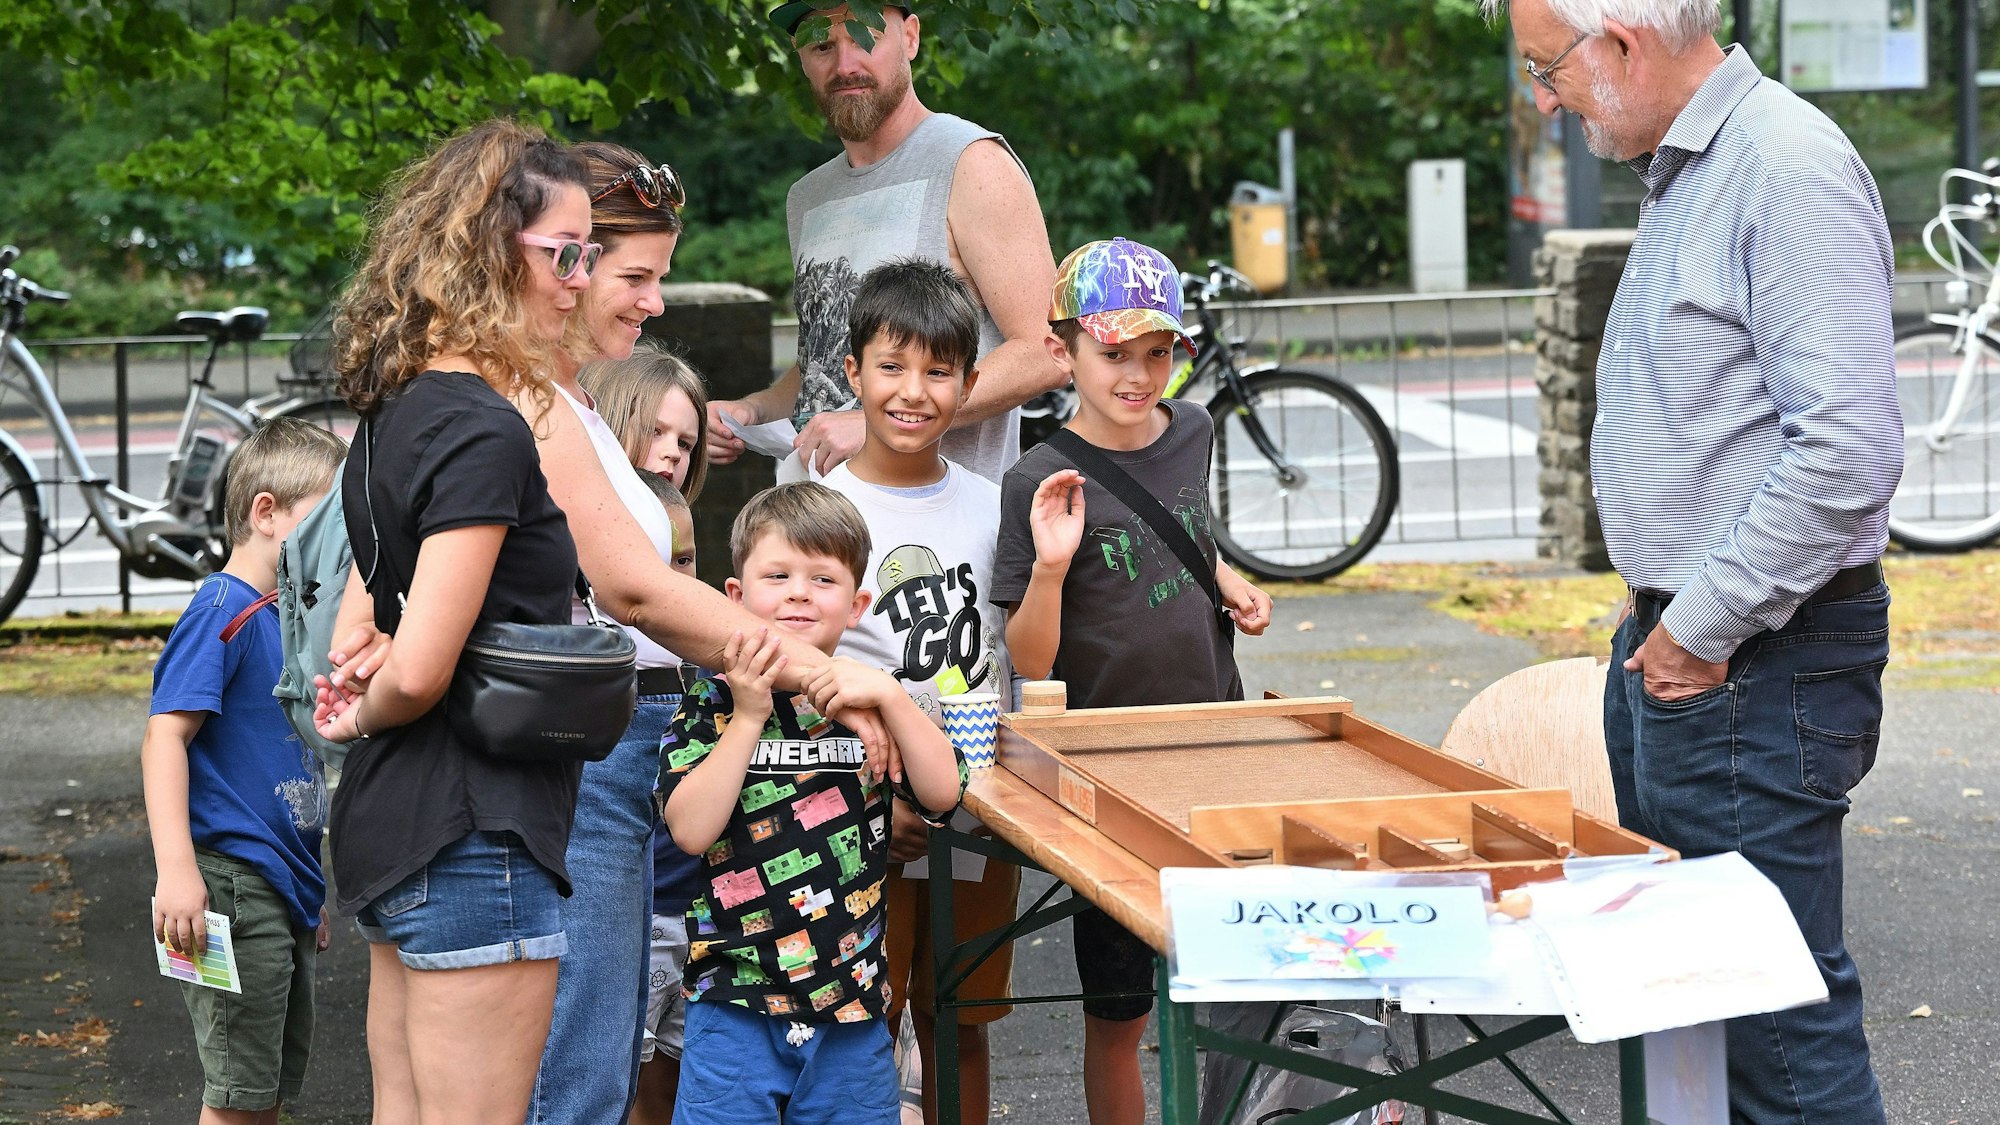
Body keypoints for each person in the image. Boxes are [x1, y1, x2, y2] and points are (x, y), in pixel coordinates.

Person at [1491, 2, 1902, 1121]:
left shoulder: (1782, 166)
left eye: (1545, 69)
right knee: (1708, 1024)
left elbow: (1845, 453)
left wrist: (1695, 627)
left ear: (1622, 44)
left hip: (1745, 657)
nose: (1544, 99)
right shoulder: (1698, 167)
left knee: (1774, 1038)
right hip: (1700, 652)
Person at [314, 119, 601, 1124]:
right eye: (565, 253)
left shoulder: (394, 411)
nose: (579, 281)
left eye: (588, 255)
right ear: (489, 250)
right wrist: (361, 712)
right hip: (475, 825)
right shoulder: (483, 428)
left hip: (404, 824)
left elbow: (380, 619)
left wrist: (373, 678)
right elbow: (420, 667)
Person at [992, 238, 1272, 1125]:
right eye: (1115, 353)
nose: (1140, 375)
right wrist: (1049, 567)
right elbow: (1030, 659)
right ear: (1062, 349)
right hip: (1106, 778)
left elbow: (1184, 523)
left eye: (1158, 352)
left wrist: (1223, 576)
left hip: (1217, 749)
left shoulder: (1195, 430)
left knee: (1234, 985)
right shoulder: (1036, 477)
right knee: (1120, 1014)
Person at [660, 482, 967, 1125]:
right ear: (735, 597)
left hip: (852, 1009)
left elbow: (943, 794)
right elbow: (689, 830)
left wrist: (891, 694)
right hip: (733, 1004)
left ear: (857, 606)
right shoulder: (710, 703)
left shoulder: (874, 703)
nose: (799, 592)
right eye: (778, 575)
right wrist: (748, 716)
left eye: (822, 578)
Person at [526, 143, 706, 1125]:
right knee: (580, 1066)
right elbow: (633, 589)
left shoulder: (578, 400)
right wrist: (813, 669)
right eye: (636, 276)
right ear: (572, 261)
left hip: (624, 745)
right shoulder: (537, 400)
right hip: (588, 749)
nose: (654, 301)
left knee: (605, 1051)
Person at [816, 258, 1017, 1125]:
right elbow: (799, 672)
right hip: (864, 811)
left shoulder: (995, 505)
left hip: (981, 811)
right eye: (891, 366)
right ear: (852, 371)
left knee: (961, 1015)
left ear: (969, 385)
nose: (913, 391)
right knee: (862, 1017)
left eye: (939, 371)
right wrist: (869, 793)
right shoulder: (818, 511)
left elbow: (1017, 650)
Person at [704, 2, 1063, 484]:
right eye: (822, 45)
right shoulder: (807, 196)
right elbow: (825, 358)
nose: (845, 64)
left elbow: (1047, 350)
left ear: (910, 38)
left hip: (938, 523)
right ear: (801, 57)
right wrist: (753, 410)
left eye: (865, 37)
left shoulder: (972, 163)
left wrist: (878, 424)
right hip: (815, 514)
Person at [142, 417, 346, 1125]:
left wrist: (305, 891)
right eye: (329, 521)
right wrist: (177, 870)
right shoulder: (222, 608)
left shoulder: (282, 618)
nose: (342, 544)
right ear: (267, 513)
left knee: (263, 1089)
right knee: (238, 1096)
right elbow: (164, 737)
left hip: (277, 885)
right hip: (231, 881)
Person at [631, 471, 699, 1125]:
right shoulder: (603, 678)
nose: (673, 579)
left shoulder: (710, 671)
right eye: (654, 562)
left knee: (686, 1080)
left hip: (706, 917)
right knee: (629, 1077)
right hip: (641, 918)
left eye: (684, 560)